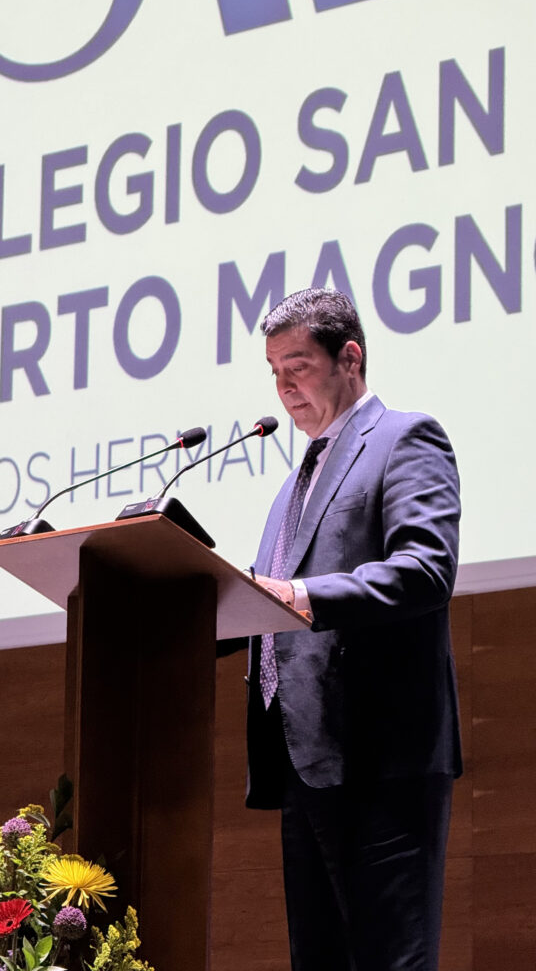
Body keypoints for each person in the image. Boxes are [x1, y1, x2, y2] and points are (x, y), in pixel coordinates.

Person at [246, 288, 462, 971]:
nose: (284, 388)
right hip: (303, 763)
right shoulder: (291, 487)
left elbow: (425, 570)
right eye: (274, 371)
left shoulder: (405, 438)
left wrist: (301, 595)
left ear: (350, 357)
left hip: (382, 761)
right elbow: (265, 605)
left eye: (298, 367)